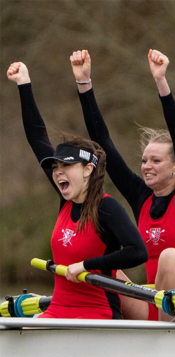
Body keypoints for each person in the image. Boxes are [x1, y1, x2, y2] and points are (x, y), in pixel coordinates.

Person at [69, 49, 175, 323]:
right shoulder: (142, 198)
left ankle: (164, 338)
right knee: (100, 267)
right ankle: (98, 329)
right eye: (144, 160)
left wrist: (161, 82)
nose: (146, 166)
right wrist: (84, 83)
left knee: (169, 257)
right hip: (155, 304)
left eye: (155, 160)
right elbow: (103, 143)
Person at [7, 61, 148, 320]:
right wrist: (24, 84)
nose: (58, 172)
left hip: (98, 313)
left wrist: (87, 265)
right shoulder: (67, 201)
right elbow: (37, 138)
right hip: (58, 310)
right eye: (55, 167)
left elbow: (138, 251)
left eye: (66, 166)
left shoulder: (107, 207)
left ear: (87, 170)